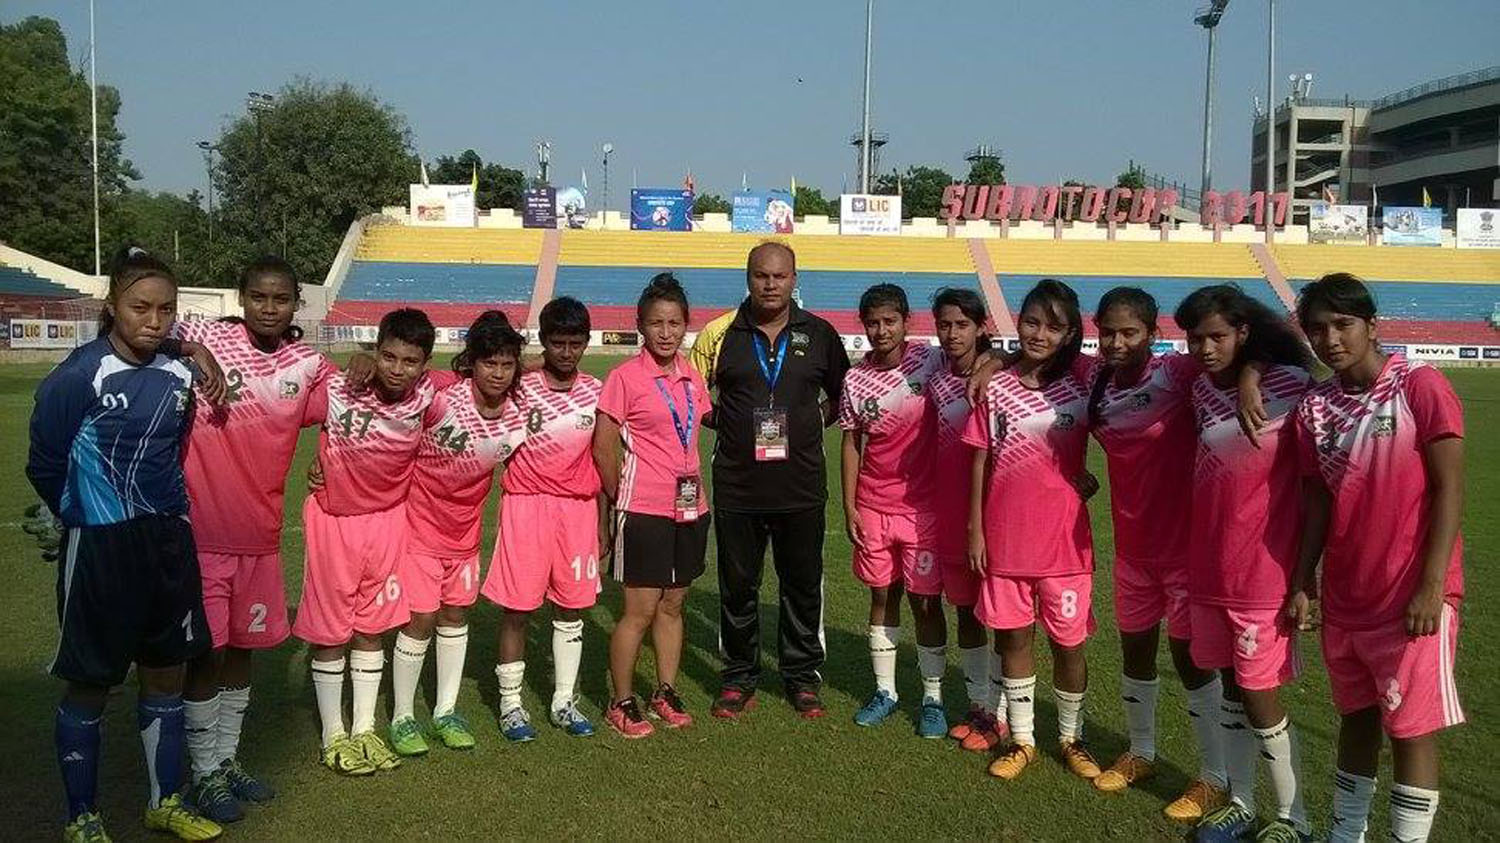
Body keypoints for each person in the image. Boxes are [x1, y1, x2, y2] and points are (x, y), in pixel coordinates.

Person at [27, 247, 223, 842]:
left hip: (167, 540)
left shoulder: (181, 373)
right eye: (141, 307)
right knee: (92, 680)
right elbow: (45, 462)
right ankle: (82, 818)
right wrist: (79, 512)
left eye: (167, 310)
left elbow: (172, 448)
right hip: (102, 547)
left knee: (165, 675)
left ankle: (164, 800)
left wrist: (194, 349)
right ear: (113, 307)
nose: (155, 320)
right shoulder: (76, 376)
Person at [1289, 274, 1464, 843]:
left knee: (1411, 730)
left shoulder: (1419, 385)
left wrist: (1432, 586)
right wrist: (1304, 579)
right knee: (1356, 720)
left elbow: (1449, 489)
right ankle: (1346, 835)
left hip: (1410, 595)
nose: (1330, 339)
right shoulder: (1315, 407)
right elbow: (1316, 500)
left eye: (1342, 325)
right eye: (1317, 328)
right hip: (1347, 594)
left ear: (1370, 324)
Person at [175, 256, 336, 822]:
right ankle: (202, 774)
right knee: (205, 656)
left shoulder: (309, 365)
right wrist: (192, 353)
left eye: (281, 299)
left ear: (297, 304)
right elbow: (132, 325)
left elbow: (353, 406)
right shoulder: (201, 334)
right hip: (201, 532)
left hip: (261, 536)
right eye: (259, 297)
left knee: (243, 652)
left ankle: (226, 761)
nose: (270, 308)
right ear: (241, 298)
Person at [1081, 287, 1231, 822]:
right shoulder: (1093, 376)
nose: (1118, 343)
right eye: (1110, 333)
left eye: (1131, 333)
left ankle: (1214, 777)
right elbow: (1036, 357)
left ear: (1153, 334)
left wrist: (1255, 377)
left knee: (1193, 663)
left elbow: (1236, 360)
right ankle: (1141, 753)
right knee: (1136, 654)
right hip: (1133, 549)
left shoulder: (1177, 374)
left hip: (1186, 551)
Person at [1175, 285, 1314, 843]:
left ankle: (1294, 817)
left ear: (1243, 333)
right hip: (1209, 569)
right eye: (1195, 338)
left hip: (1264, 572)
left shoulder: (1295, 388)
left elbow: (1317, 480)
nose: (1205, 348)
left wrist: (1256, 373)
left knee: (1260, 694)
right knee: (1230, 687)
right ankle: (1240, 802)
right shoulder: (1200, 391)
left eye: (1216, 336)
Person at [689, 241, 850, 719]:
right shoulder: (719, 334)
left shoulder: (820, 334)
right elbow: (693, 397)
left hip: (801, 485)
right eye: (762, 275)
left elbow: (845, 395)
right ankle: (738, 676)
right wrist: (732, 425)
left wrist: (809, 424)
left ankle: (801, 677)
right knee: (738, 587)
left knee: (801, 586)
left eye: (780, 276)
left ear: (794, 278)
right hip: (738, 485)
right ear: (748, 277)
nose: (770, 284)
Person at [963, 279, 1102, 783]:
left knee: (1070, 646)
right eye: (1032, 322)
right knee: (1014, 642)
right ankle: (1022, 739)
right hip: (1004, 540)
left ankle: (1071, 737)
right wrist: (976, 529)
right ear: (1017, 322)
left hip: (1065, 543)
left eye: (1054, 326)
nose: (1040, 334)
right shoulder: (994, 386)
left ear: (1070, 335)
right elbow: (979, 458)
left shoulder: (1085, 380)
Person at [294, 308, 440, 777]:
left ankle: (364, 729)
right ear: (376, 351)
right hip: (334, 521)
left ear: (426, 363)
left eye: (410, 361)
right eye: (389, 356)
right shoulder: (339, 387)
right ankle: (333, 733)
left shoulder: (430, 395)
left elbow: (495, 377)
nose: (397, 368)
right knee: (332, 630)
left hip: (388, 523)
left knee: (372, 628)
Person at [386, 312, 529, 756]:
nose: (498, 373)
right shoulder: (443, 399)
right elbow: (392, 395)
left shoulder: (516, 422)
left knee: (454, 617)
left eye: (506, 365)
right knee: (420, 619)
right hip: (418, 528)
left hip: (464, 538)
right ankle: (403, 717)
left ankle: (446, 711)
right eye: (489, 363)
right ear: (472, 363)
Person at [593, 274, 713, 737]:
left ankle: (664, 690)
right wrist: (616, 496)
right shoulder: (625, 377)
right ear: (640, 326)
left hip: (690, 507)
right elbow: (604, 446)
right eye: (656, 323)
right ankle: (621, 700)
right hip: (643, 509)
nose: (666, 332)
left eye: (674, 323)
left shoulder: (691, 376)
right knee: (639, 611)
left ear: (686, 325)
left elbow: (699, 424)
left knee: (673, 604)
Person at [480, 297, 604, 741]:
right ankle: (511, 705)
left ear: (587, 343)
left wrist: (604, 522)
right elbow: (466, 373)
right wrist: (530, 362)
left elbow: (605, 458)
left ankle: (562, 700)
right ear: (543, 342)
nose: (566, 352)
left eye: (575, 343)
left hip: (577, 511)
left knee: (571, 608)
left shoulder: (598, 391)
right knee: (518, 609)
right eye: (557, 343)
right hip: (526, 505)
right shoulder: (520, 385)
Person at [836, 283, 948, 735]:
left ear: (907, 322)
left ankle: (933, 699)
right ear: (864, 327)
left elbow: (985, 357)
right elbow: (850, 443)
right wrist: (849, 505)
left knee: (925, 601)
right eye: (873, 323)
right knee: (882, 595)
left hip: (924, 509)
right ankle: (886, 691)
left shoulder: (930, 361)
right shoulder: (854, 379)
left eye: (890, 321)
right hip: (873, 505)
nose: (882, 331)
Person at [927, 288, 1008, 753]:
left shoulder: (1003, 378)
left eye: (962, 324)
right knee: (967, 611)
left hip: (996, 514)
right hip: (951, 511)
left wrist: (995, 360)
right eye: (944, 324)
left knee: (1003, 616)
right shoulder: (937, 378)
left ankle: (1001, 712)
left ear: (981, 327)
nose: (953, 334)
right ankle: (979, 705)